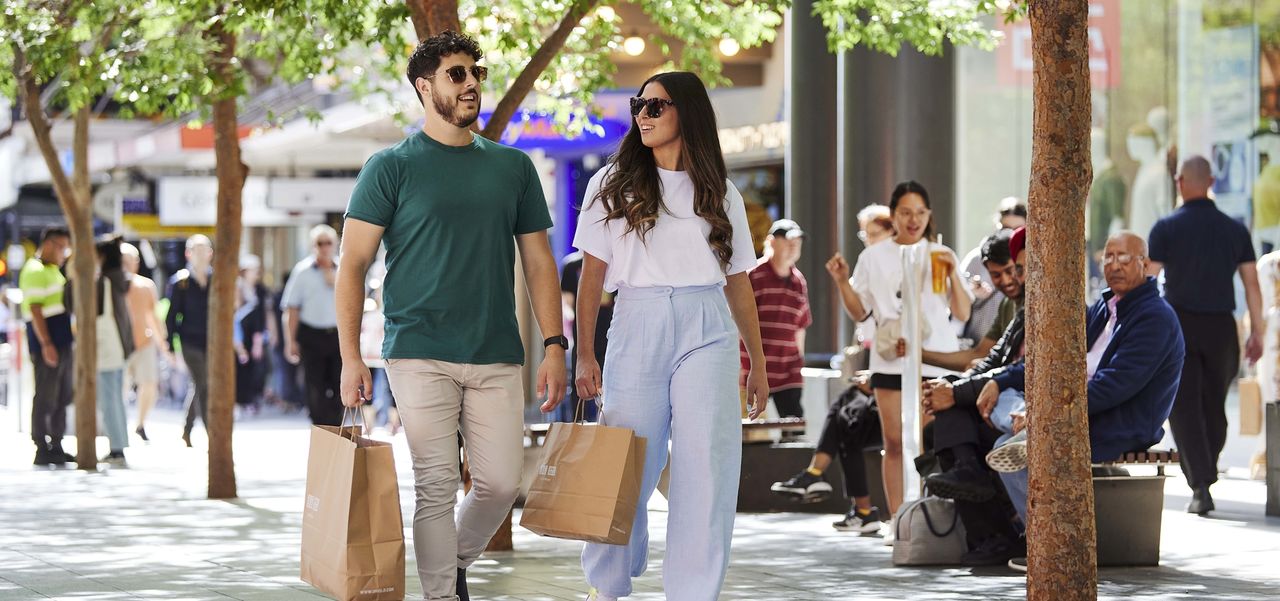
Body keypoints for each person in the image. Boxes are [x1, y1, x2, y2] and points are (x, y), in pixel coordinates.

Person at [334, 31, 566, 601]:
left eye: (475, 73)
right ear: (424, 87)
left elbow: (539, 263)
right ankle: (441, 594)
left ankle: (450, 563)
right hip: (417, 349)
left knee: (500, 484)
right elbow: (353, 264)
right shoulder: (389, 167)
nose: (470, 84)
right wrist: (348, 358)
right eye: (455, 74)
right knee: (435, 485)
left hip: (495, 351)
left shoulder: (512, 168)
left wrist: (556, 344)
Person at [572, 71, 767, 601]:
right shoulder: (610, 184)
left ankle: (693, 592)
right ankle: (607, 584)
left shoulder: (719, 190)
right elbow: (591, 278)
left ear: (687, 111)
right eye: (639, 104)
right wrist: (583, 354)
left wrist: (759, 363)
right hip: (638, 318)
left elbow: (739, 281)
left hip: (708, 326)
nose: (643, 114)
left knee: (707, 465)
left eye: (656, 105)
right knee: (627, 462)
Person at [983, 233, 1185, 530]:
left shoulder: (1155, 318)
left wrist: (1044, 415)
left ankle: (1051, 539)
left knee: (1016, 448)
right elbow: (1052, 359)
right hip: (1074, 412)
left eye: (1124, 258)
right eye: (1109, 257)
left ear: (1145, 264)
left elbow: (1112, 387)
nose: (1115, 265)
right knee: (1005, 397)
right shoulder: (1105, 308)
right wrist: (1000, 381)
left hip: (1117, 423)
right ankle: (1042, 541)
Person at [824, 181, 971, 519]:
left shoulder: (940, 254)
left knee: (928, 440)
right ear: (894, 215)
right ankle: (900, 520)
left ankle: (936, 518)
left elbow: (962, 313)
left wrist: (951, 269)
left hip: (937, 360)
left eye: (920, 212)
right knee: (894, 441)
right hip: (890, 360)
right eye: (905, 212)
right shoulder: (874, 256)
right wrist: (842, 282)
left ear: (929, 214)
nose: (913, 219)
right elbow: (861, 312)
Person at [1146, 155, 1264, 515]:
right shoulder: (1235, 229)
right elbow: (1252, 283)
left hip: (1178, 325)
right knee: (1214, 403)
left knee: (1183, 406)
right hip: (1221, 327)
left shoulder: (1165, 228)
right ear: (1211, 181)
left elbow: (1149, 281)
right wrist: (1257, 332)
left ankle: (1200, 483)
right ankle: (1205, 474)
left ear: (1180, 182)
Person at [919, 226, 1028, 565]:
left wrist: (958, 390)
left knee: (949, 421)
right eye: (999, 274)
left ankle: (993, 536)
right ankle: (989, 534)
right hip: (999, 401)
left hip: (1019, 408)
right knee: (949, 412)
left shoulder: (1044, 304)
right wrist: (955, 385)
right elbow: (990, 358)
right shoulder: (1016, 309)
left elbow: (1024, 368)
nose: (1009, 279)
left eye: (1015, 270)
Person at [770, 373, 884, 533]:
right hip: (883, 401)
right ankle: (863, 512)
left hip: (901, 408)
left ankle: (815, 474)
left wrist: (875, 382)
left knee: (846, 425)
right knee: (846, 416)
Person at [740, 219, 812, 419]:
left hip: (788, 371)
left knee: (794, 431)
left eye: (797, 242)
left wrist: (800, 363)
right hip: (753, 370)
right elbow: (737, 321)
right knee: (752, 435)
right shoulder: (753, 275)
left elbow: (800, 327)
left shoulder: (799, 281)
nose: (794, 246)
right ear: (771, 242)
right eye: (788, 241)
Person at [922, 230, 1021, 372]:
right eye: (996, 275)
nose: (1005, 280)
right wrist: (920, 355)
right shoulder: (1006, 305)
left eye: (1009, 270)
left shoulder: (1033, 303)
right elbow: (980, 354)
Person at [20, 227, 74, 466]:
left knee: (62, 394)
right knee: (46, 394)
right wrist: (47, 344)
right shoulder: (34, 270)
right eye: (62, 247)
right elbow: (35, 310)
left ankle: (57, 443)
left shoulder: (54, 270)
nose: (64, 253)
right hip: (48, 343)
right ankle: (41, 445)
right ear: (50, 244)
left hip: (62, 341)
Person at [282, 225, 344, 426]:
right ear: (313, 246)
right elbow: (292, 309)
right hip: (311, 336)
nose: (325, 247)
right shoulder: (303, 271)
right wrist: (290, 341)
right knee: (314, 387)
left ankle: (335, 428)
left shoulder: (343, 269)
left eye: (329, 243)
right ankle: (319, 426)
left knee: (339, 385)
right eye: (320, 243)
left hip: (337, 336)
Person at [167, 234, 213, 448]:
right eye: (196, 249)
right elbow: (172, 315)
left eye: (205, 249)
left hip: (211, 342)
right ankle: (211, 432)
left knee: (200, 384)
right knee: (203, 383)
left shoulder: (216, 279)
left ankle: (187, 429)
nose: (201, 254)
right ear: (188, 253)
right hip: (189, 342)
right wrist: (170, 345)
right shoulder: (181, 282)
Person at [121, 243, 167, 441]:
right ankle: (119, 425)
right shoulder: (111, 284)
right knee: (119, 388)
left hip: (144, 342)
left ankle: (140, 423)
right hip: (119, 346)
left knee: (149, 384)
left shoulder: (146, 285)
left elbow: (153, 317)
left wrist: (164, 344)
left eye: (130, 261)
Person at [95, 236, 135, 465]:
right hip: (119, 347)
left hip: (108, 348)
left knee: (109, 398)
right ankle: (118, 445)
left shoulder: (105, 282)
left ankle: (117, 448)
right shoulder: (118, 279)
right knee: (115, 398)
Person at [559, 250, 607, 423]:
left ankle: (606, 429)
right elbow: (567, 300)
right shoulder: (572, 265)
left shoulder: (612, 260)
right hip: (584, 335)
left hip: (610, 333)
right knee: (580, 384)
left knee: (607, 386)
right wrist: (570, 317)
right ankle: (577, 426)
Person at [234, 254, 270, 414]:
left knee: (256, 369)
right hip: (238, 335)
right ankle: (239, 401)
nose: (256, 273)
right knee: (239, 368)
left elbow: (264, 314)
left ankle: (250, 399)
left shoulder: (260, 290)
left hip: (254, 335)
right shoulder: (238, 287)